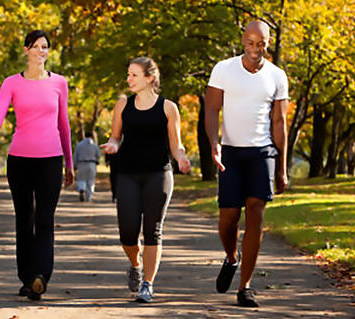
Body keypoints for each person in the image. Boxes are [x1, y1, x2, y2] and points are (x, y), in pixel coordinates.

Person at [0, 30, 74, 301]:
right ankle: (27, 277)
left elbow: (63, 125)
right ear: (26, 49)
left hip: (51, 160)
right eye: (37, 46)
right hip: (19, 160)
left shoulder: (59, 83)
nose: (42, 51)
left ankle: (41, 276)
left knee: (45, 219)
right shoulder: (11, 83)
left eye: (46, 47)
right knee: (24, 218)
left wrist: (69, 162)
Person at [204, 20, 289, 307]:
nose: (255, 49)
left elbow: (279, 123)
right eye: (250, 43)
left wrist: (282, 169)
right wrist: (214, 144)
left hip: (262, 153)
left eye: (261, 44)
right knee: (228, 218)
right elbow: (212, 109)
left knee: (256, 213)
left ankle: (245, 286)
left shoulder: (277, 76)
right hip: (230, 151)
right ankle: (231, 257)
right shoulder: (223, 69)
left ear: (267, 43)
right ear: (243, 40)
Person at [101, 56, 191, 303]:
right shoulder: (123, 105)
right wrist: (112, 144)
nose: (128, 79)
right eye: (128, 74)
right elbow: (116, 137)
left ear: (149, 78)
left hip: (159, 174)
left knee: (153, 230)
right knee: (127, 233)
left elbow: (176, 144)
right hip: (128, 174)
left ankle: (148, 285)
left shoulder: (168, 108)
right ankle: (135, 263)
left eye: (134, 75)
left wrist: (181, 159)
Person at [73, 132, 101, 202]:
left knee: (81, 179)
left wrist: (74, 165)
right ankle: (89, 196)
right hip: (92, 163)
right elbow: (99, 155)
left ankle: (81, 189)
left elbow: (75, 155)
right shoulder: (94, 145)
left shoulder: (79, 145)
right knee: (90, 180)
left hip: (81, 163)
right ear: (91, 136)